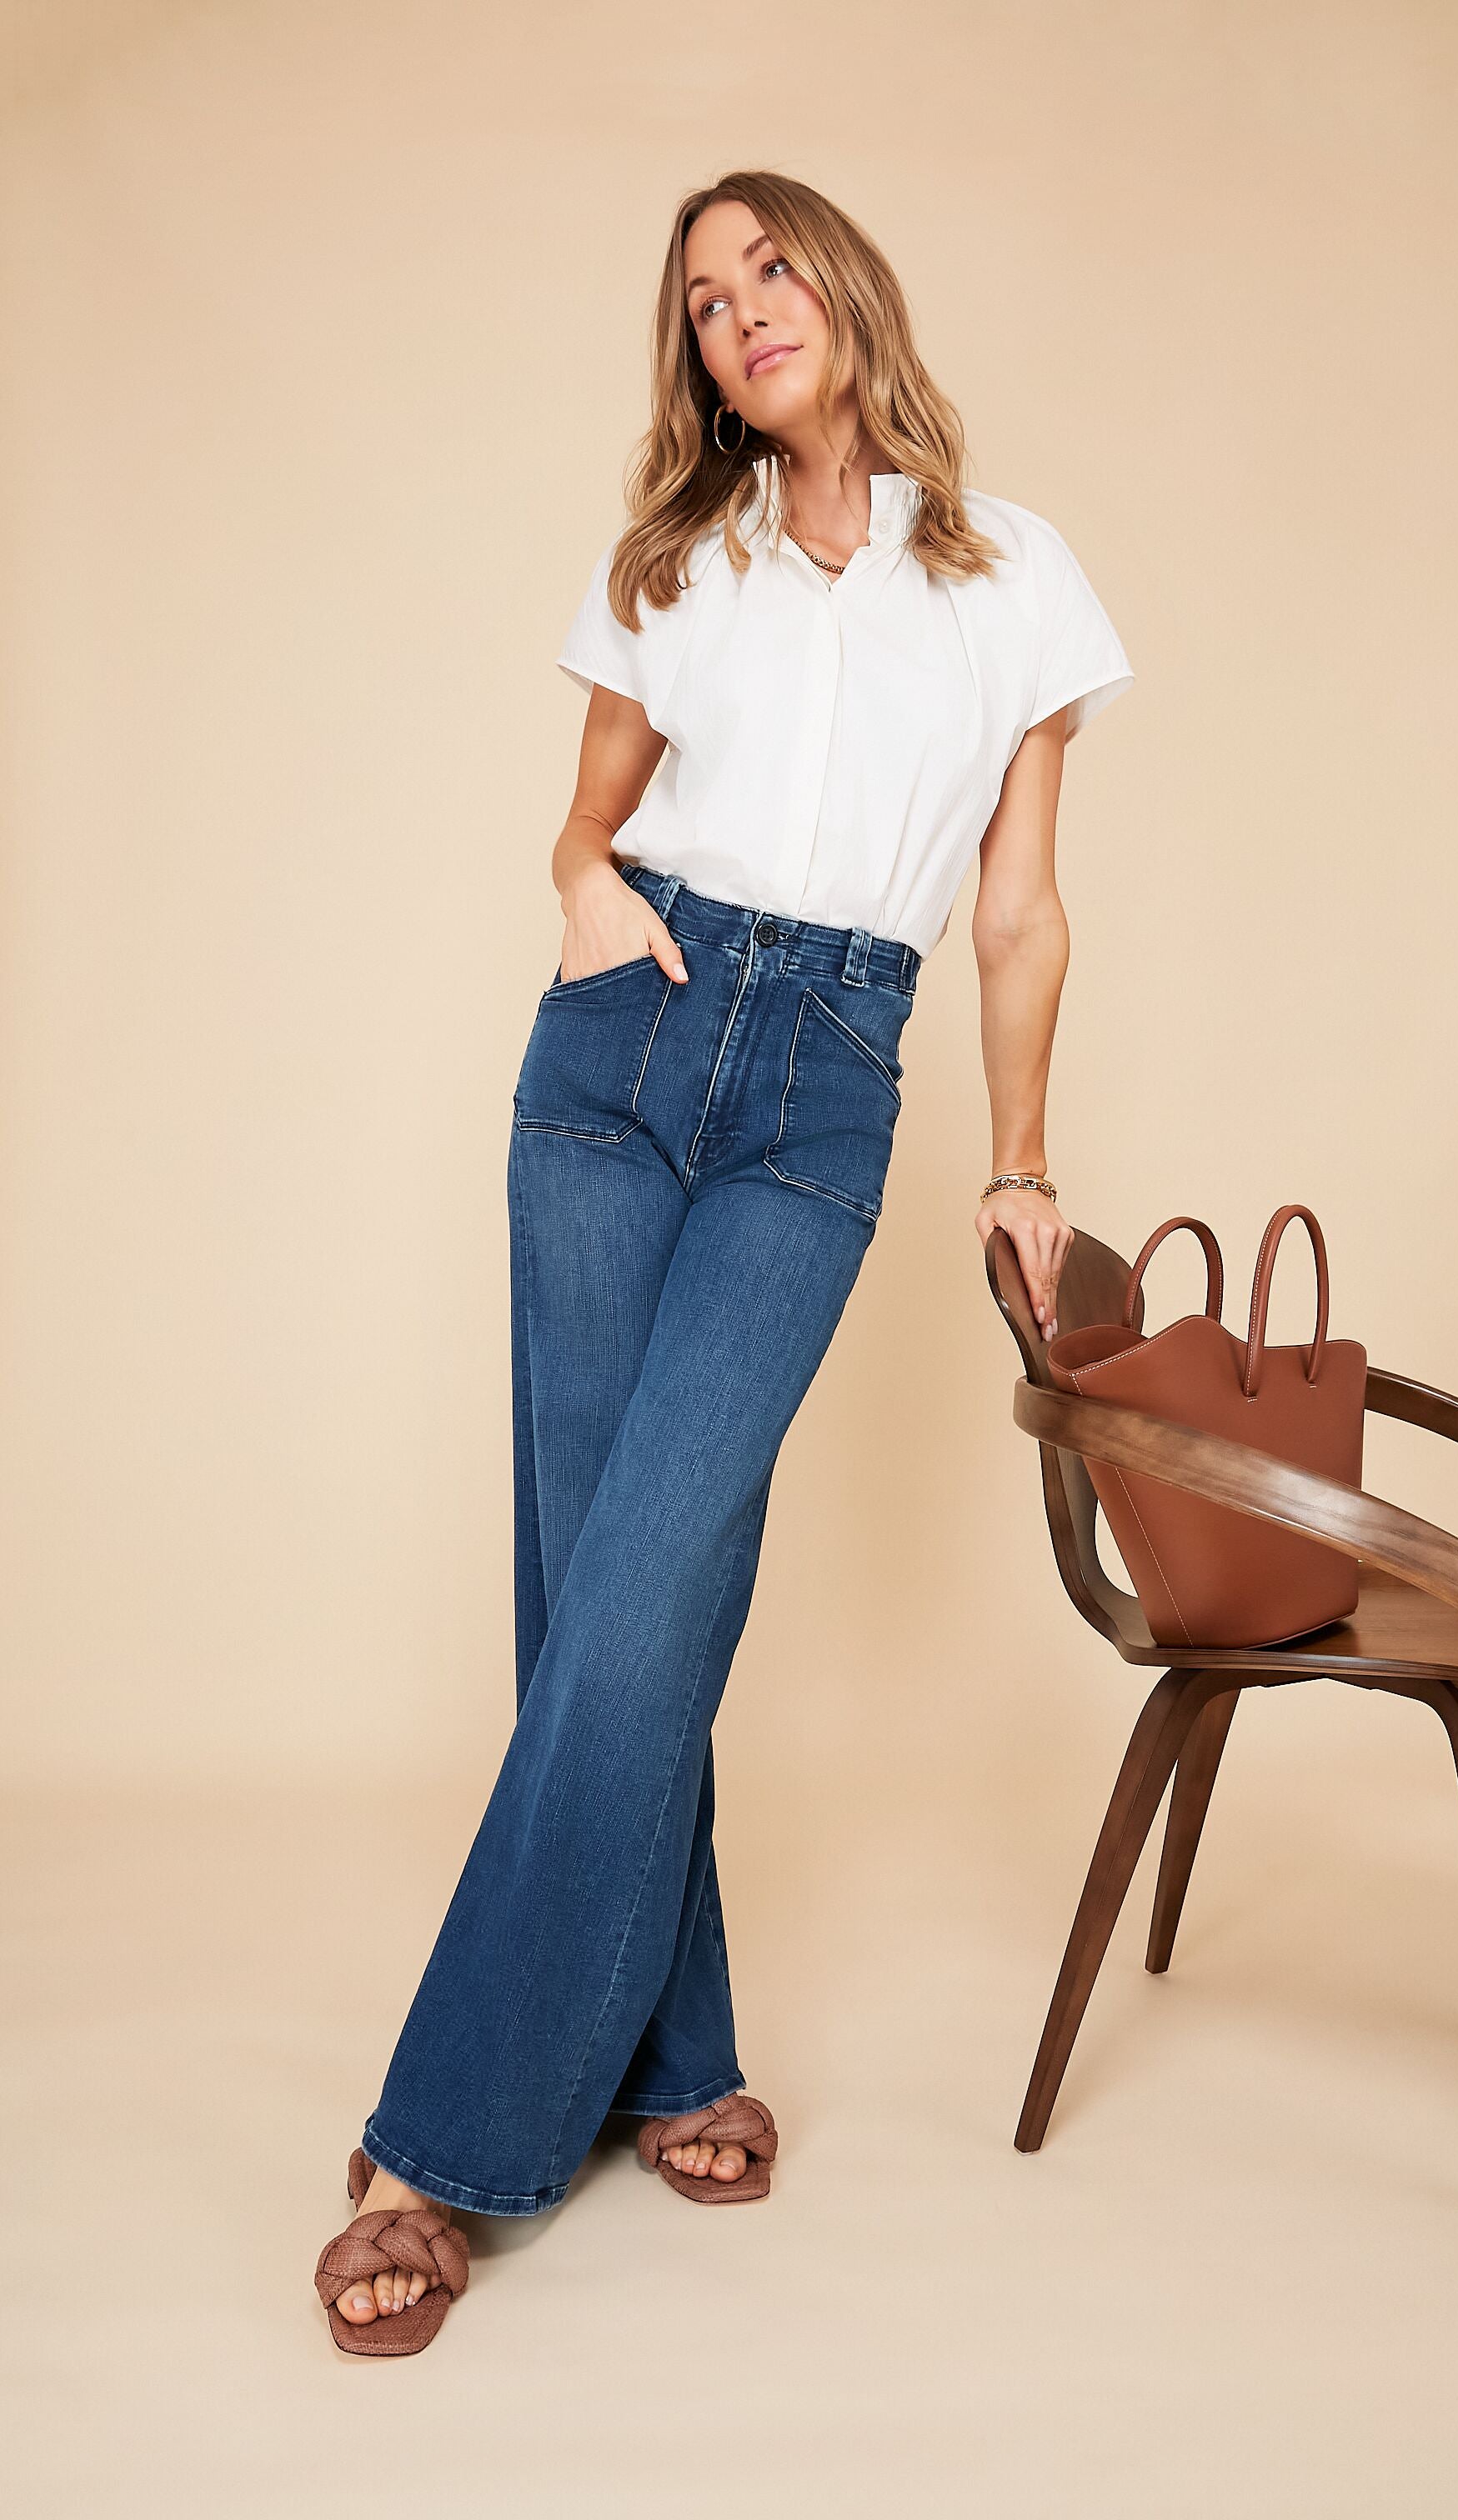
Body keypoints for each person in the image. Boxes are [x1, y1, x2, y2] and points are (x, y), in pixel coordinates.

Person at [313, 168, 1133, 2356]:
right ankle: (679, 2059)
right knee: (597, 1579)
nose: (742, 309)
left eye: (769, 268)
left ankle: (435, 2147)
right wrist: (585, 888)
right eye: (701, 298)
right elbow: (583, 819)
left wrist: (1023, 1159)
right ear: (690, 358)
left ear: (846, 287)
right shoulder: (672, 560)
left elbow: (1021, 907)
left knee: (655, 1567)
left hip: (825, 1084)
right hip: (622, 1052)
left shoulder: (1017, 576)